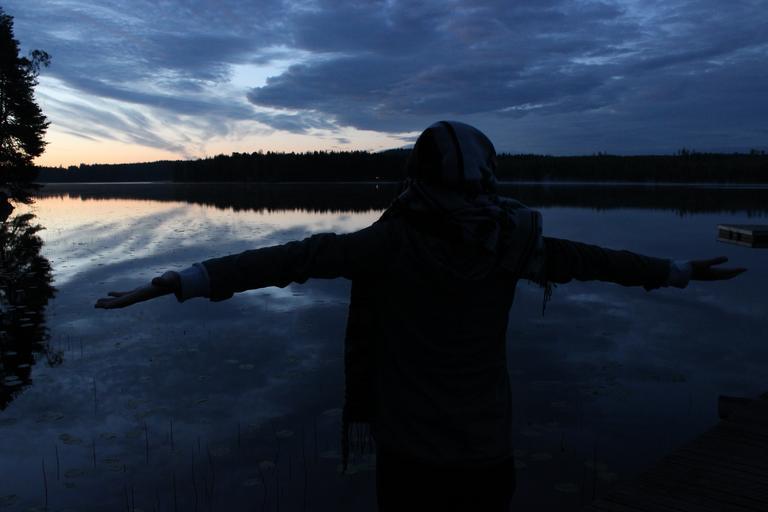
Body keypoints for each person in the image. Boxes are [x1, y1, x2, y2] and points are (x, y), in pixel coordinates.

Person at [95, 121, 746, 511]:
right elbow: (595, 260)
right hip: (486, 451)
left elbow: (293, 258)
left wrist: (178, 280)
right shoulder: (513, 241)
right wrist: (675, 269)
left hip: (412, 455)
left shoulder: (393, 242)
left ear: (417, 176)